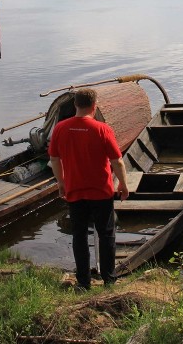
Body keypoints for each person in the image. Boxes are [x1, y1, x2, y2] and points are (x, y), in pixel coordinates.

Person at [48, 88, 130, 290]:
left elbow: (54, 159)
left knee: (79, 235)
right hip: (101, 192)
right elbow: (117, 161)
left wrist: (61, 182)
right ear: (94, 106)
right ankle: (109, 279)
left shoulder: (60, 128)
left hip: (75, 191)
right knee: (106, 234)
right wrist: (123, 184)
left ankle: (83, 282)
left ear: (75, 105)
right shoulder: (102, 129)